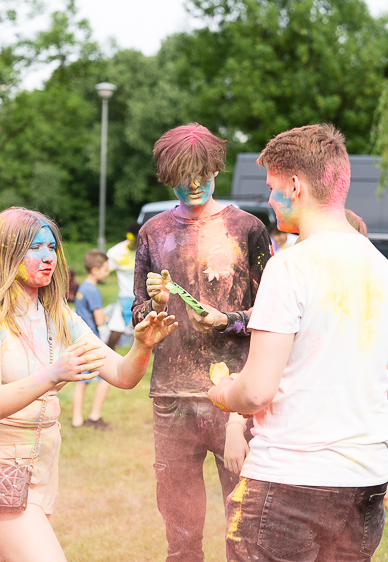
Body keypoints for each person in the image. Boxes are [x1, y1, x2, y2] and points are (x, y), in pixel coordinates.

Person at [207, 124, 388, 562]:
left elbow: (256, 390)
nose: (270, 198)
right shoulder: (385, 271)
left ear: (294, 186)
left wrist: (223, 393)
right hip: (365, 485)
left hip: (288, 485)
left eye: (273, 187)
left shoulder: (291, 268)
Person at [0, 207, 176, 562]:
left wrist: (142, 346)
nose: (48, 257)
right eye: (34, 247)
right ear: (6, 253)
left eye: (51, 247)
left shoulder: (59, 315)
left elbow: (122, 375)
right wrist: (53, 374)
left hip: (43, 463)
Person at [133, 123, 271, 562]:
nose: (193, 183)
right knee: (180, 532)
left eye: (201, 171)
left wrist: (226, 320)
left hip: (234, 395)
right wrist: (150, 308)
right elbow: (136, 313)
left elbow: (275, 316)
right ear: (167, 173)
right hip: (170, 396)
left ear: (216, 168)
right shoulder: (152, 233)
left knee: (244, 526)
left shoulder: (248, 229)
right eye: (182, 173)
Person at [70, 250, 112, 429]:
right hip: (92, 342)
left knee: (81, 382)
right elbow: (99, 319)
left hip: (79, 341)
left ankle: (77, 420)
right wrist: (108, 320)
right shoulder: (93, 290)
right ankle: (95, 416)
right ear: (95, 270)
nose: (107, 273)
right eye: (105, 269)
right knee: (108, 378)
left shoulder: (81, 288)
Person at [105, 223, 140, 348]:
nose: (133, 243)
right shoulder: (117, 252)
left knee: (149, 333)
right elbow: (103, 270)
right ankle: (107, 362)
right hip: (125, 298)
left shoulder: (148, 250)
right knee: (115, 332)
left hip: (144, 298)